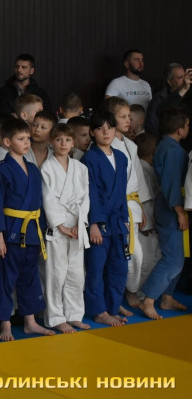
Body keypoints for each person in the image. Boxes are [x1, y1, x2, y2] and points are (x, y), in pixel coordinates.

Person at [0, 117, 54, 341]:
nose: (27, 142)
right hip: (10, 231)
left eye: (28, 138)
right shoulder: (1, 169)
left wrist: (42, 232)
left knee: (30, 276)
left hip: (32, 231)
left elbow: (40, 203)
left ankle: (30, 321)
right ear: (7, 142)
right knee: (6, 278)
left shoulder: (34, 170)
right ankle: (5, 323)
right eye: (21, 139)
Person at [140, 107, 190, 319]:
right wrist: (179, 211)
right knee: (173, 259)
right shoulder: (173, 151)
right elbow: (170, 184)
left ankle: (167, 297)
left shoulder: (166, 147)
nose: (188, 129)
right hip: (171, 209)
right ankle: (148, 299)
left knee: (177, 257)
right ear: (180, 130)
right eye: (187, 126)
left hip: (169, 206)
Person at [40, 124, 90, 333]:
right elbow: (48, 198)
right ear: (51, 142)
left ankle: (74, 315)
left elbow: (86, 198)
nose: (63, 144)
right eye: (59, 139)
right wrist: (61, 225)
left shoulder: (81, 168)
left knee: (76, 274)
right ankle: (55, 317)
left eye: (67, 140)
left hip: (77, 225)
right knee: (56, 273)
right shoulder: (47, 168)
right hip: (57, 228)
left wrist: (80, 223)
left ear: (73, 143)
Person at [80, 110, 129, 327]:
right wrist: (94, 224)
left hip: (118, 221)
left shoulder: (121, 157)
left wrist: (125, 218)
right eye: (100, 128)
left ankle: (112, 307)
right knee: (96, 268)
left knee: (119, 267)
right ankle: (99, 310)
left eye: (109, 127)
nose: (106, 132)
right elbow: (90, 193)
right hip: (99, 221)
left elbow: (122, 191)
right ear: (92, 132)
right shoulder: (89, 159)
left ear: (115, 129)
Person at [104, 97, 151, 312]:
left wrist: (142, 209)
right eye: (123, 116)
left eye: (129, 116)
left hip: (132, 205)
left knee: (136, 255)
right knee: (124, 255)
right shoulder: (106, 146)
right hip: (116, 208)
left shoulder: (130, 145)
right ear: (111, 119)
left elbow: (137, 180)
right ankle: (120, 296)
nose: (128, 120)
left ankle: (128, 292)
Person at [134, 133, 161, 298]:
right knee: (146, 261)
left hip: (148, 222)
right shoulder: (142, 170)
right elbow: (143, 200)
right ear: (154, 151)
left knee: (151, 259)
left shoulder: (146, 168)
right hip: (145, 224)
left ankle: (144, 293)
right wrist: (147, 225)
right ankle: (140, 294)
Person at [146, 63, 185, 136]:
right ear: (169, 81)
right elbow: (152, 127)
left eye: (185, 76)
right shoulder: (159, 100)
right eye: (180, 77)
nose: (184, 80)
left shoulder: (188, 96)